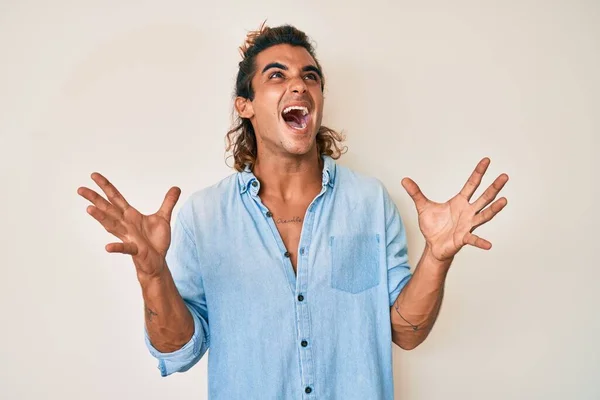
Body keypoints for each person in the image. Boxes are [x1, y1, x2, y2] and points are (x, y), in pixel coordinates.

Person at [77, 23, 509, 399]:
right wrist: (153, 275)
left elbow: (406, 332)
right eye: (276, 75)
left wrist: (437, 257)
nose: (299, 85)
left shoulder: (370, 203)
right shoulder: (203, 217)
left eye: (310, 77)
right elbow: (179, 350)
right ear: (245, 105)